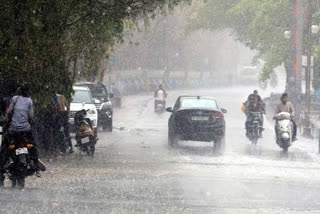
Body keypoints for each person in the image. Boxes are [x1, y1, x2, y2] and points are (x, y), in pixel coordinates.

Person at [4, 85, 40, 180]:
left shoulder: (15, 99)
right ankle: (36, 166)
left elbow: (9, 112)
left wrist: (8, 122)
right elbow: (31, 116)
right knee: (33, 146)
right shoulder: (29, 101)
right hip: (25, 130)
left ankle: (2, 163)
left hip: (13, 130)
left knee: (5, 146)